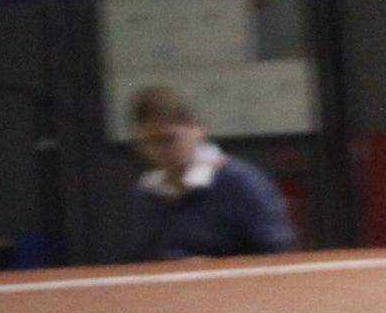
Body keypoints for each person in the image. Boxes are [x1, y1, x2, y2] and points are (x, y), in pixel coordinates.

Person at [126, 85, 295, 259]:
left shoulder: (240, 183)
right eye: (148, 143)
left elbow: (275, 252)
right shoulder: (147, 192)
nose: (158, 151)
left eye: (169, 139)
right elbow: (143, 254)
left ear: (197, 128)